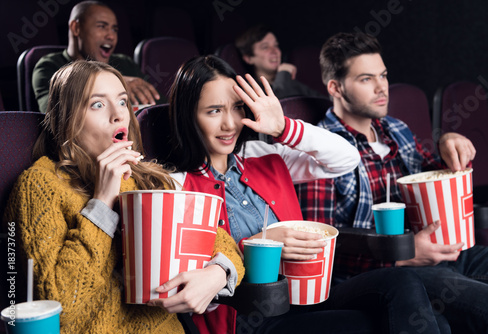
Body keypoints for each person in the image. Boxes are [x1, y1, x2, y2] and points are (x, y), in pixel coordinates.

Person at [165, 55, 444, 334]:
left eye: (238, 108)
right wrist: (260, 244)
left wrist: (283, 127)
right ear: (188, 116)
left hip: (306, 296)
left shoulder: (264, 157)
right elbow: (193, 286)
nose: (230, 124)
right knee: (385, 325)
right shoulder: (175, 186)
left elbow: (346, 158)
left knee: (403, 282)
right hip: (248, 320)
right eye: (213, 111)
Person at [3, 60, 244, 333]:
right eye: (97, 104)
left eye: (121, 101)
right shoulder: (40, 185)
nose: (118, 115)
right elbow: (59, 304)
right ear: (68, 118)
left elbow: (220, 242)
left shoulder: (145, 177)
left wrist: (218, 273)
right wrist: (102, 202)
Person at [297, 31, 488, 334]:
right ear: (336, 88)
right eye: (366, 79)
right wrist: (401, 255)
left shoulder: (396, 129)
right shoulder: (321, 149)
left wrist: (448, 143)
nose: (382, 88)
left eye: (383, 75)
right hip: (386, 273)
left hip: (443, 255)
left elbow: (433, 177)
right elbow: (319, 246)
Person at [32, 1, 162, 113]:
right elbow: (54, 114)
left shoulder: (125, 63)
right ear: (76, 28)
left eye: (114, 29)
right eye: (102, 26)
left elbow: (159, 107)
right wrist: (113, 84)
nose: (111, 36)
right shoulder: (48, 66)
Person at [235, 24, 326, 100]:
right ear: (248, 58)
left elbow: (324, 102)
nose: (275, 51)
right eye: (265, 47)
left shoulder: (290, 82)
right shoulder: (250, 91)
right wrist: (283, 73)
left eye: (276, 45)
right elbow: (282, 105)